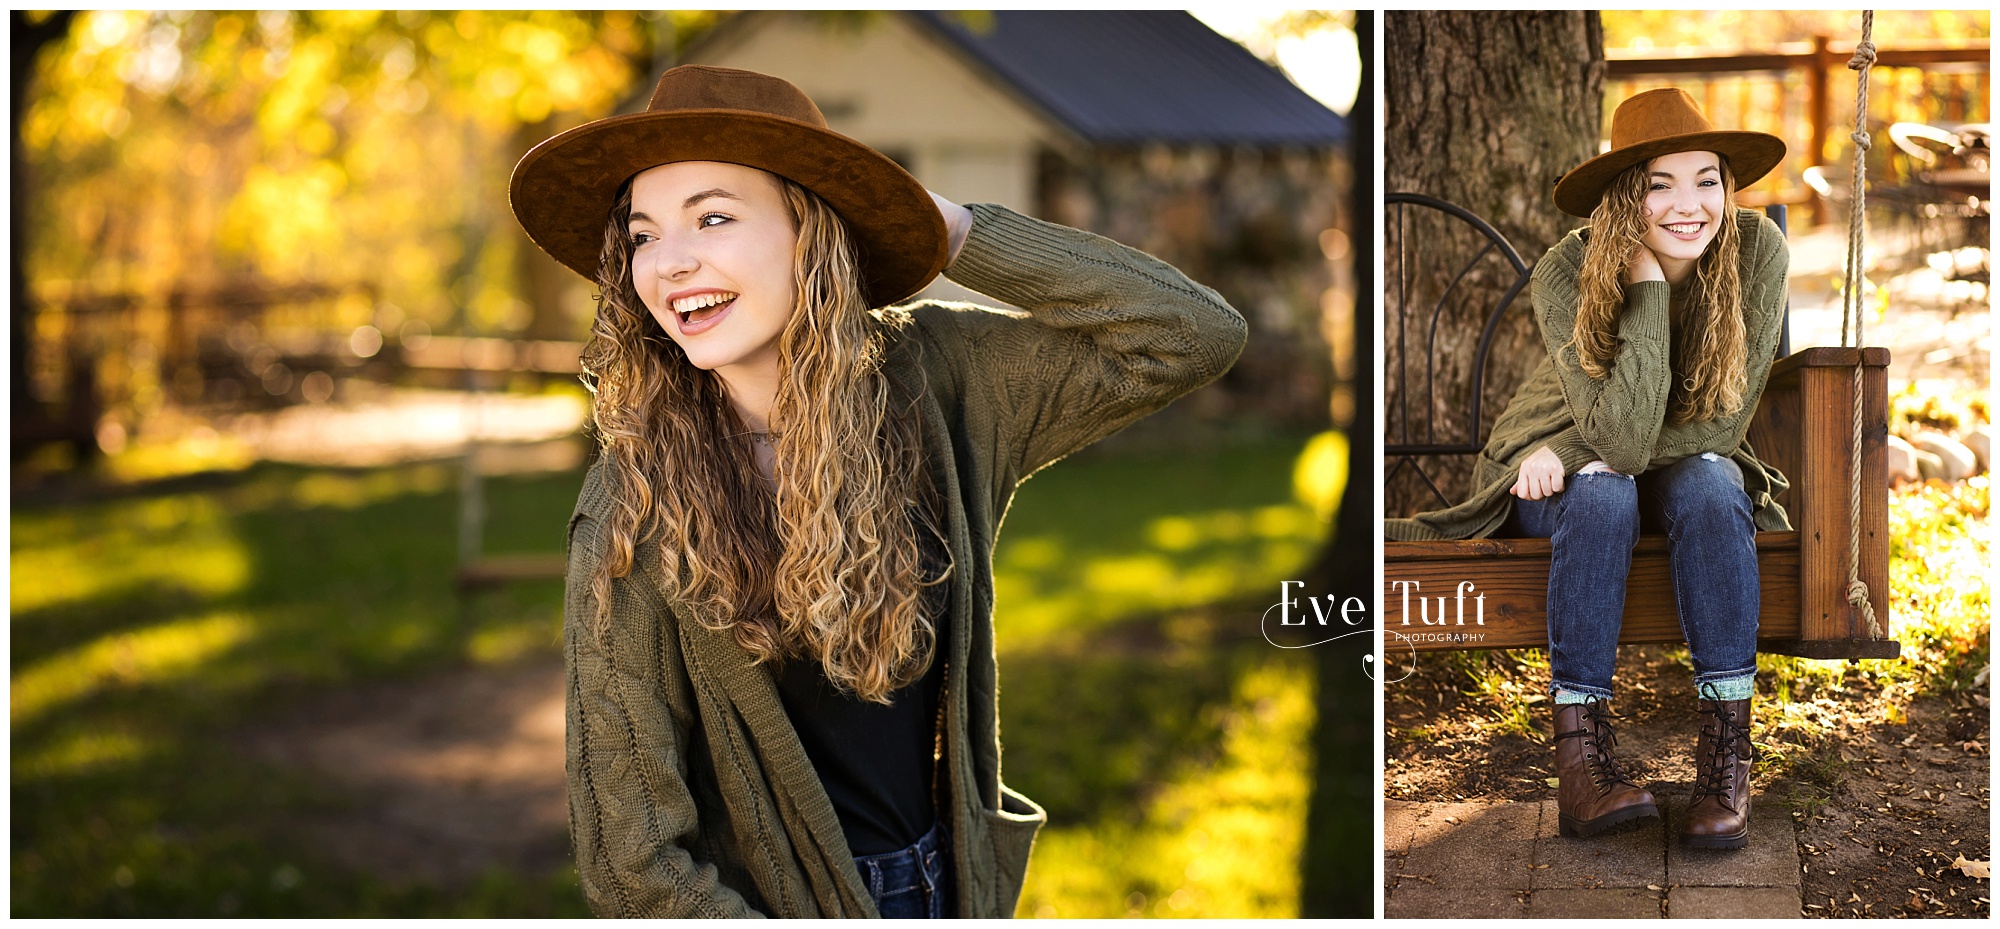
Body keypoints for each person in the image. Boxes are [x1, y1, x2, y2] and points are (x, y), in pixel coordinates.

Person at [509, 65, 1247, 917]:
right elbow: (632, 864)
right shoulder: (632, 502)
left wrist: (957, 229)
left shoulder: (942, 382)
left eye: (713, 216)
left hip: (954, 887)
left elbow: (1191, 335)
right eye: (641, 236)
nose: (669, 263)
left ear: (810, 229)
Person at [1385, 88, 1792, 850]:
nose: (1688, 204)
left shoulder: (1756, 248)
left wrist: (1574, 453)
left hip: (1614, 455)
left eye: (1706, 178)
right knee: (1606, 490)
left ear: (1727, 185)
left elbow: (1722, 422)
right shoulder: (1566, 270)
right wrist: (1641, 286)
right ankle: (1581, 768)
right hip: (1550, 469)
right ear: (1623, 195)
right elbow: (1620, 444)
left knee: (1711, 478)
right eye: (1659, 184)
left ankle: (1726, 759)